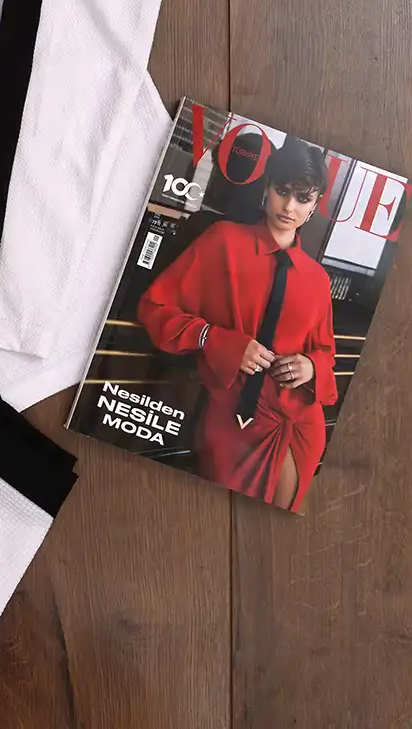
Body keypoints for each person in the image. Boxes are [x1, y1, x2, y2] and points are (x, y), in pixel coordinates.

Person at [137, 137, 337, 511]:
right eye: (282, 191)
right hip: (233, 418)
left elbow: (325, 351)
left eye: (303, 198)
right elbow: (154, 308)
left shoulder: (318, 279)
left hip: (301, 424)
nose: (289, 207)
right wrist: (216, 339)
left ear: (315, 205)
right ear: (267, 187)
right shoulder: (223, 241)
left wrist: (312, 366)